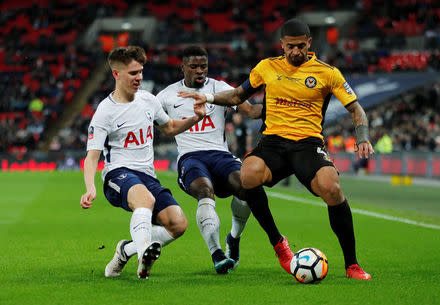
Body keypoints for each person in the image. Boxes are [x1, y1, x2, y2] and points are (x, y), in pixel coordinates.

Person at [179, 19, 374, 280]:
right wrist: (210, 97)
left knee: (332, 188)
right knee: (247, 176)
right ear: (281, 44)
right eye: (290, 46)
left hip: (308, 144)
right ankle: (279, 243)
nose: (295, 51)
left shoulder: (327, 73)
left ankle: (352, 264)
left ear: (309, 44)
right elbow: (237, 96)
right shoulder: (267, 67)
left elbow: (355, 108)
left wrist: (362, 136)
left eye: (301, 46)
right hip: (272, 142)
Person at [80, 46, 206, 279]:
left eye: (140, 72)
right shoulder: (105, 112)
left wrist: (195, 118)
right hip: (118, 174)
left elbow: (169, 127)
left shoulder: (148, 100)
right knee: (145, 200)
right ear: (116, 74)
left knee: (177, 224)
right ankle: (144, 253)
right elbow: (92, 156)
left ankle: (126, 250)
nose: (139, 77)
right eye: (132, 73)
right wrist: (90, 188)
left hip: (147, 175)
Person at [157, 46, 262, 274]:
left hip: (221, 155)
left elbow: (251, 111)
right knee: (205, 192)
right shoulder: (165, 96)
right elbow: (149, 121)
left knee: (247, 187)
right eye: (193, 66)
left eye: (203, 66)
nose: (199, 71)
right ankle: (216, 253)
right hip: (190, 157)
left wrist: (281, 104)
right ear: (182, 67)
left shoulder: (220, 88)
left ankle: (233, 238)